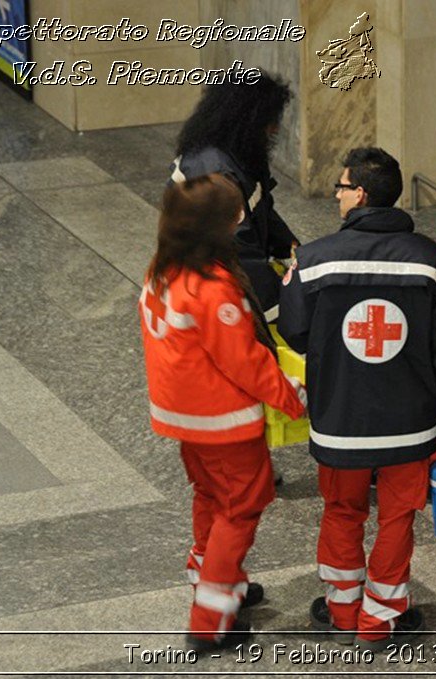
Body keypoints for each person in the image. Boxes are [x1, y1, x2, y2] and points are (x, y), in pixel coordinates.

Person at [277, 147, 436, 649]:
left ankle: (343, 608)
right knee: (396, 518)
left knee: (342, 511)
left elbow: (296, 333)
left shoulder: (315, 259)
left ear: (361, 194)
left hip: (339, 419)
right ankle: (380, 618)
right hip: (410, 425)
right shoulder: (434, 263)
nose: (337, 196)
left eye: (341, 187)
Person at [138, 174, 307, 650]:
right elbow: (245, 361)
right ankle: (211, 619)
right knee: (241, 507)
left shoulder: (163, 267)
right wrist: (290, 395)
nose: (240, 222)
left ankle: (213, 575)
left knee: (210, 498)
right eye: (234, 216)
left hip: (184, 417)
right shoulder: (212, 288)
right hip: (224, 422)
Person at [170, 73, 299, 315]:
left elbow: (262, 210)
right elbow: (240, 247)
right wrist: (281, 309)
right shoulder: (216, 172)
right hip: (212, 292)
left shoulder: (237, 153)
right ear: (250, 121)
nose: (275, 128)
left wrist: (296, 255)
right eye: (270, 121)